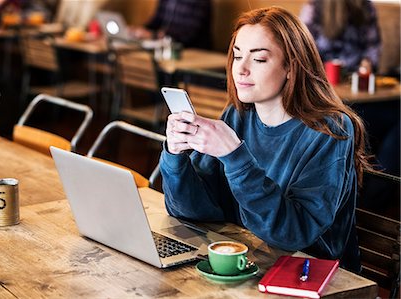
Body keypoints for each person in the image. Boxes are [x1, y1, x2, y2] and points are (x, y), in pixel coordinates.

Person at [159, 6, 371, 273]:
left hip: (310, 274)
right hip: (247, 261)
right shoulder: (238, 116)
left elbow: (292, 235)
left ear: (291, 68)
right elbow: (193, 212)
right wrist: (175, 157)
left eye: (258, 60)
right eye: (237, 56)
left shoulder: (331, 131)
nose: (241, 70)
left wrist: (235, 157)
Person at [300, 0, 381, 73]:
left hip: (355, 74)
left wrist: (368, 62)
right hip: (322, 74)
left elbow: (373, 45)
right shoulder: (313, 8)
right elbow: (303, 46)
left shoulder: (366, 7)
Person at [130, 0, 212, 49]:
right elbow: (157, 21)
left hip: (191, 51)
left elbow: (189, 34)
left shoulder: (200, 1)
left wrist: (155, 35)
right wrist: (141, 30)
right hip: (165, 47)